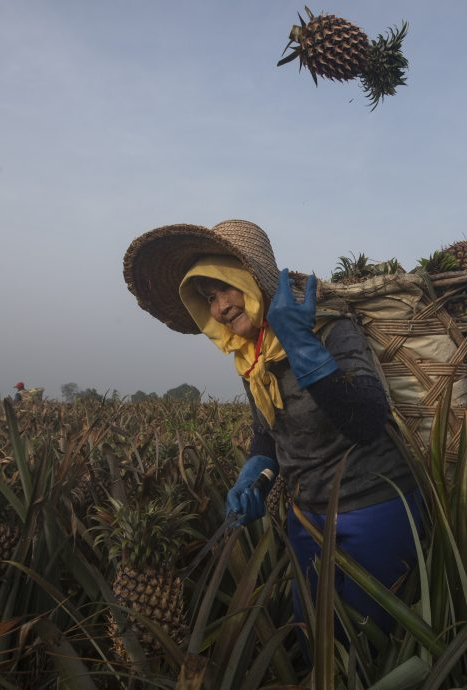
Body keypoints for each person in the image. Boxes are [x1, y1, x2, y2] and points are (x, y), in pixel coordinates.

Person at [123, 219, 423, 649]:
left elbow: (367, 420)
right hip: (306, 515)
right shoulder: (251, 359)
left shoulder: (330, 329)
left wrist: (300, 342)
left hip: (374, 508)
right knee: (312, 642)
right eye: (209, 298)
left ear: (252, 282)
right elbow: (267, 433)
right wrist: (256, 474)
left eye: (225, 288)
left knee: (369, 646)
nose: (221, 306)